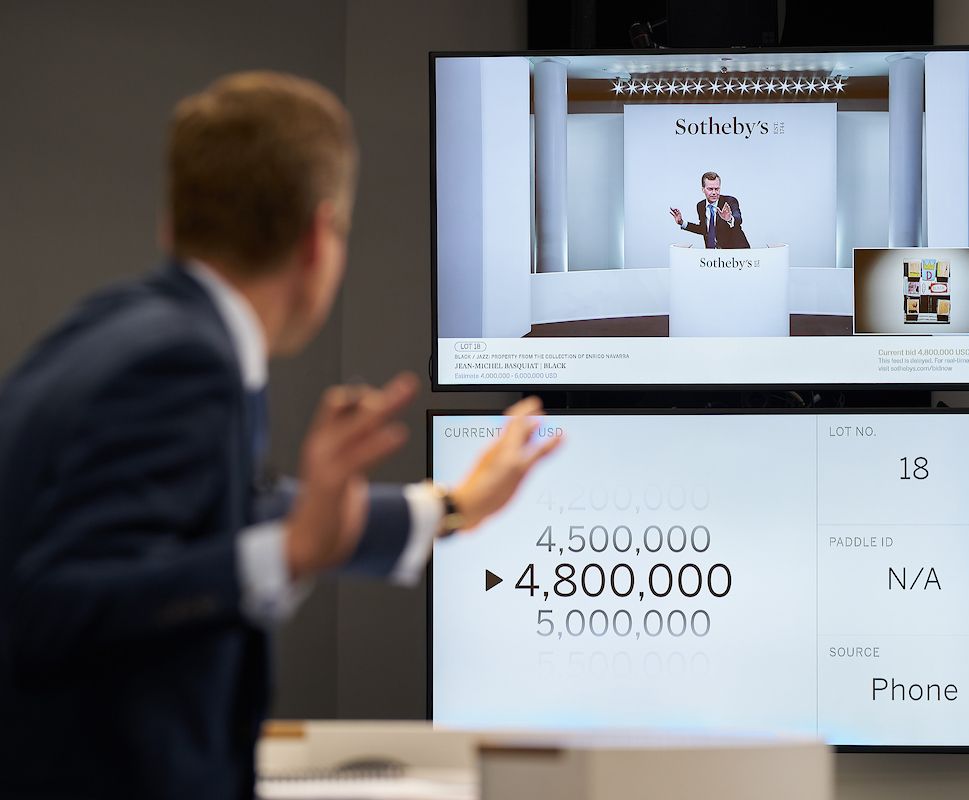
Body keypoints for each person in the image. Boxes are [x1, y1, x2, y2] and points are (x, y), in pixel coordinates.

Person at [0, 71, 560, 799]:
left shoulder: (118, 327)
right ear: (318, 236)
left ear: (174, 223)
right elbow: (56, 603)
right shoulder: (184, 360)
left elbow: (221, 513)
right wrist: (288, 555)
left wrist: (448, 506)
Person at [669, 171, 751, 249]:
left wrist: (729, 219)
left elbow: (738, 219)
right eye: (710, 189)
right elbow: (704, 229)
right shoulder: (700, 206)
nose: (714, 192)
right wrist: (681, 222)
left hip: (736, 253)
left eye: (717, 189)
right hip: (712, 255)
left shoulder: (730, 201)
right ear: (703, 189)